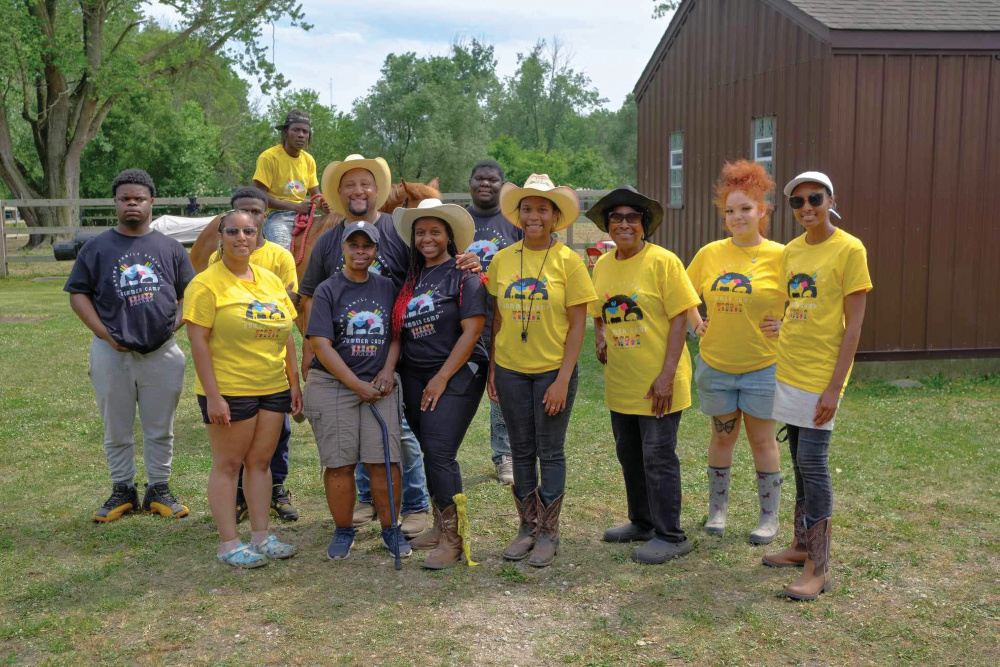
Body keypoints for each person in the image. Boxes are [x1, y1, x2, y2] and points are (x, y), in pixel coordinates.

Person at [299, 154, 481, 539]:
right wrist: (308, 349)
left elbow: (432, 264)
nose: (357, 190)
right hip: (346, 353)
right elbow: (312, 294)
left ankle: (414, 504)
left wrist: (469, 262)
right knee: (359, 434)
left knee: (398, 435)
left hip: (394, 350)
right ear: (338, 192)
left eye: (364, 183)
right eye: (349, 184)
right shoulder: (329, 240)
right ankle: (368, 499)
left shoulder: (398, 236)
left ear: (378, 190)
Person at [762, 171, 872, 601]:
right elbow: (797, 304)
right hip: (789, 369)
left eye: (815, 198)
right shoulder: (790, 251)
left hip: (822, 376)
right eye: (798, 202)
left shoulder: (849, 249)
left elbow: (854, 325)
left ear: (830, 199)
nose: (806, 207)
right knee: (797, 459)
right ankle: (801, 545)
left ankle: (818, 567)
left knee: (813, 462)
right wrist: (783, 323)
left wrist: (834, 388)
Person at [66, 169, 194, 523]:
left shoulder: (170, 248)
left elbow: (192, 293)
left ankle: (159, 488)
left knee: (160, 426)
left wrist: (173, 325)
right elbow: (78, 295)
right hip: (112, 353)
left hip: (161, 351)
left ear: (151, 202)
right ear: (116, 203)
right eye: (125, 199)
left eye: (139, 198)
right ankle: (122, 488)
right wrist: (106, 335)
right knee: (116, 426)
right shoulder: (96, 248)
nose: (132, 204)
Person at [585, 186, 701, 564]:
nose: (623, 224)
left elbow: (680, 317)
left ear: (644, 224)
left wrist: (667, 374)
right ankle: (642, 521)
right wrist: (600, 334)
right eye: (615, 218)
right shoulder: (602, 265)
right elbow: (598, 308)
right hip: (622, 380)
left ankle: (672, 535)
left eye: (632, 217)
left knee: (657, 455)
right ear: (607, 225)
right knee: (629, 453)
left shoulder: (664, 262)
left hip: (660, 382)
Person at [486, 174, 597, 568]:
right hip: (511, 370)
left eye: (543, 209)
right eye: (528, 209)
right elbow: (497, 319)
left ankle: (550, 530)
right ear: (519, 215)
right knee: (520, 449)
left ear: (555, 217)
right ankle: (527, 526)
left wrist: (563, 379)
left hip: (552, 371)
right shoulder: (503, 259)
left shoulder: (570, 261)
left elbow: (578, 324)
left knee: (549, 451)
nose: (535, 216)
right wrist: (493, 371)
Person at [184, 210, 302, 568]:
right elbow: (198, 343)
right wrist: (213, 395)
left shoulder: (270, 279)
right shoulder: (206, 283)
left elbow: (288, 336)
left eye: (248, 231)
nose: (241, 238)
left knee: (261, 463)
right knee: (229, 464)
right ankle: (228, 543)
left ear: (258, 235)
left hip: (272, 385)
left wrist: (293, 382)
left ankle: (262, 536)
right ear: (221, 236)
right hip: (230, 388)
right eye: (233, 231)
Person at [685, 161, 786, 544]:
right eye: (730, 210)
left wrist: (788, 323)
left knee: (763, 442)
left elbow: (811, 300)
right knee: (722, 438)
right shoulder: (710, 253)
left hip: (763, 366)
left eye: (746, 208)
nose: (737, 216)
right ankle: (717, 511)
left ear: (763, 210)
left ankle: (768, 518)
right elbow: (683, 293)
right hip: (717, 365)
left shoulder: (782, 255)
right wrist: (697, 323)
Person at [303, 220, 410, 561]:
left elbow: (395, 335)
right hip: (336, 385)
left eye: (367, 246)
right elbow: (320, 343)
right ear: (343, 249)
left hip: (379, 385)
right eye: (354, 245)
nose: (360, 251)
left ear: (376, 251)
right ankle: (343, 528)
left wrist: (387, 370)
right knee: (339, 463)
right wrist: (355, 384)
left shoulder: (387, 287)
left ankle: (391, 528)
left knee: (385, 462)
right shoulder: (327, 289)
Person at [391, 199, 488, 569]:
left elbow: (473, 329)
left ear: (449, 236)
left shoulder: (465, 275)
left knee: (441, 451)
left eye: (435, 231)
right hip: (416, 375)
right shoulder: (413, 278)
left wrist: (441, 378)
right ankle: (438, 522)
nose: (427, 238)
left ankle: (454, 538)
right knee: (431, 451)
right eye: (420, 232)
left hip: (456, 374)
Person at [465, 159, 521, 485]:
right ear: (470, 182)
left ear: (503, 185)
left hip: (504, 318)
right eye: (479, 178)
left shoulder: (513, 223)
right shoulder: (459, 220)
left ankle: (505, 456)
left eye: (493, 180)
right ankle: (441, 450)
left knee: (500, 391)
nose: (485, 184)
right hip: (464, 320)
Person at [252, 109, 329, 250]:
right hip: (275, 216)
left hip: (304, 216)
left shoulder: (309, 160)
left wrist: (323, 204)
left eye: (305, 132)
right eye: (296, 130)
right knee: (283, 251)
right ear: (286, 132)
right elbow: (259, 197)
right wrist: (295, 206)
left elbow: (316, 196)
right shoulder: (269, 157)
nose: (301, 135)